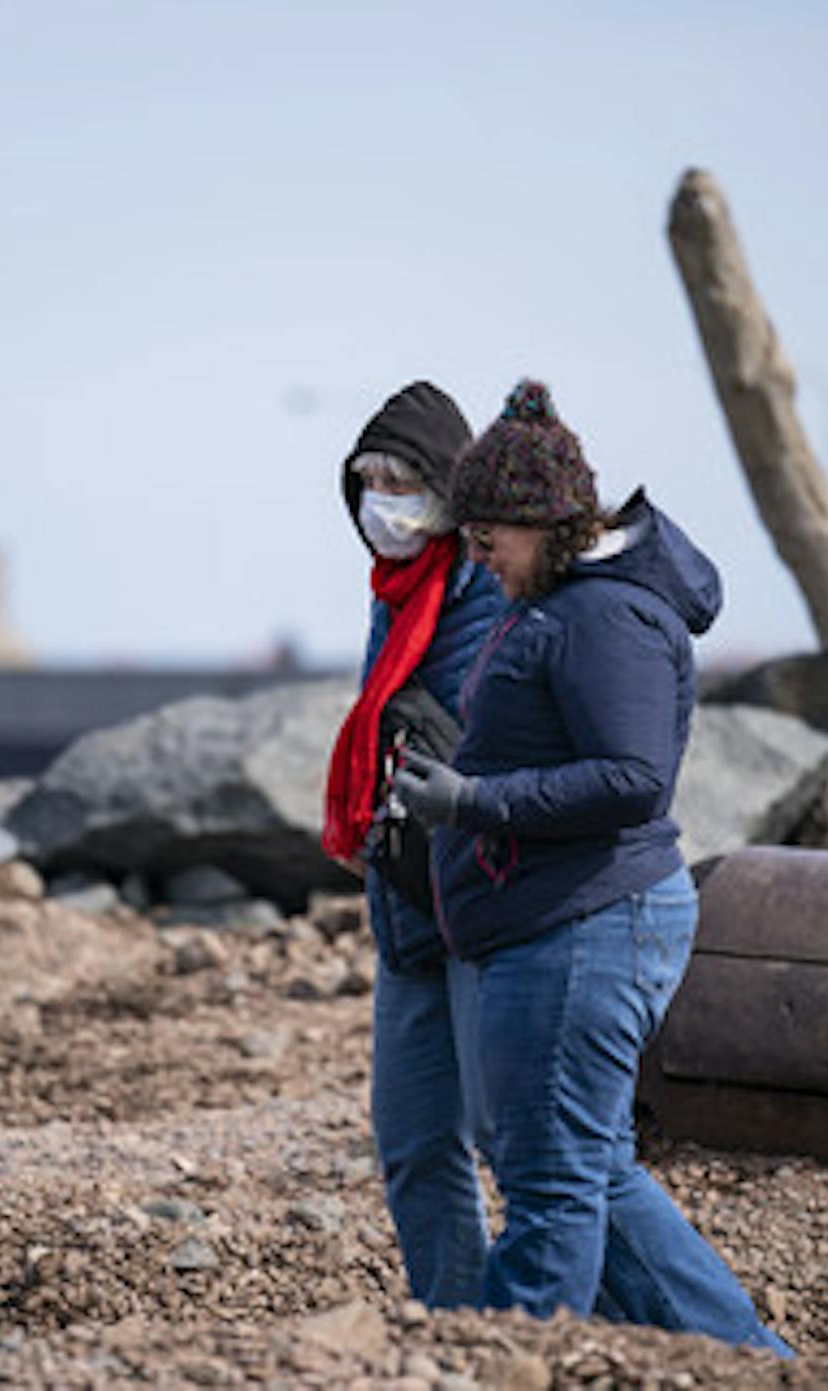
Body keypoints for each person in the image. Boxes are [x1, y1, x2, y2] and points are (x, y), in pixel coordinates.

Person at [390, 378, 792, 1353]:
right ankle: (749, 1359)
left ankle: (510, 1357)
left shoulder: (606, 617)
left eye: (490, 538)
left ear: (547, 521)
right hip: (562, 921)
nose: (478, 558)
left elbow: (633, 778)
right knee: (589, 1167)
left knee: (553, 1177)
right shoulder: (565, 603)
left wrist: (473, 802)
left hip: (588, 926)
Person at [321, 381, 506, 1308]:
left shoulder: (488, 591)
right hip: (403, 907)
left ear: (446, 487)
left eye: (399, 480)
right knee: (412, 1141)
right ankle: (458, 1320)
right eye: (366, 482)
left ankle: (628, 1328)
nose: (381, 502)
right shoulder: (390, 593)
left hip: (478, 905)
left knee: (521, 1148)